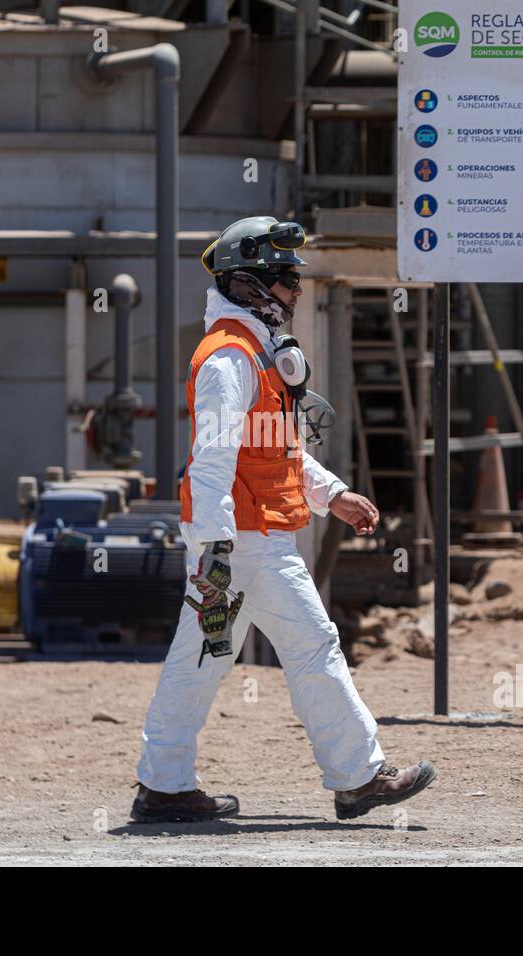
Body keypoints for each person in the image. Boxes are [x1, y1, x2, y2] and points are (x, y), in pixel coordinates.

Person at [131, 216, 436, 823]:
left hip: (245, 536)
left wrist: (333, 494)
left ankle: (164, 787)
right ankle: (358, 776)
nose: (297, 290)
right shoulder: (230, 361)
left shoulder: (255, 356)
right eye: (286, 279)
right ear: (250, 285)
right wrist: (216, 551)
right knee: (311, 645)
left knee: (201, 656)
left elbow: (276, 453)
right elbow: (212, 463)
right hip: (247, 541)